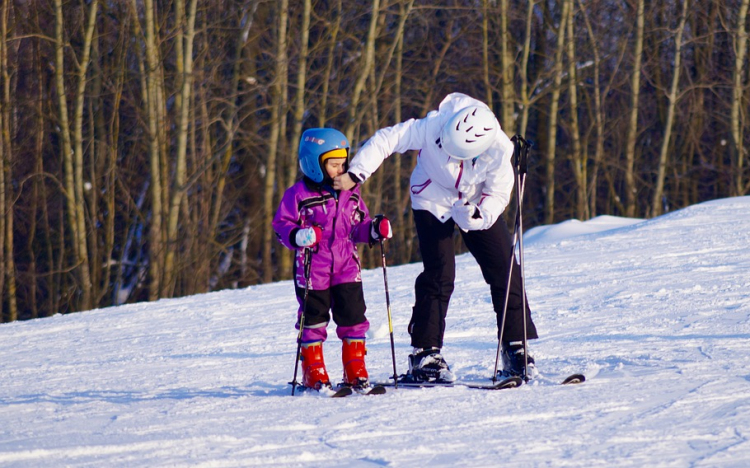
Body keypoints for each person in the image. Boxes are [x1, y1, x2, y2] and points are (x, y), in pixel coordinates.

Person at [333, 92, 538, 383]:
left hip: (475, 201)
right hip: (432, 197)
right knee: (440, 273)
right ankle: (425, 353)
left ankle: (516, 346)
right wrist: (356, 173)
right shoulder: (435, 126)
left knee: (505, 270)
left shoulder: (500, 150)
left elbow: (500, 193)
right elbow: (387, 139)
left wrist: (481, 214)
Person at [273, 128, 392, 391]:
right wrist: (298, 235)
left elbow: (357, 226)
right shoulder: (298, 195)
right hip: (312, 269)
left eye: (343, 164)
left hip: (347, 266)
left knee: (353, 316)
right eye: (334, 165)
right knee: (314, 319)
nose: (341, 170)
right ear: (314, 164)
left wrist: (374, 229)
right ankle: (313, 371)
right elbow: (281, 225)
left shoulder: (350, 192)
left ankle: (355, 369)